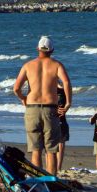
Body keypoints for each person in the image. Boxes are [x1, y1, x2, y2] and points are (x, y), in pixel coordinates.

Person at [13, 36, 72, 176]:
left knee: (36, 150)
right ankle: (51, 182)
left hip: (32, 108)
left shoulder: (28, 65)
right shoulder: (56, 65)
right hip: (50, 109)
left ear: (38, 49)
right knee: (51, 150)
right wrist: (68, 102)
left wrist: (23, 98)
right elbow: (66, 83)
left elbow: (16, 88)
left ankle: (37, 181)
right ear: (52, 50)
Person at [56, 83, 70, 171]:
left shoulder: (47, 87)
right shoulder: (64, 88)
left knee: (51, 144)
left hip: (51, 118)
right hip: (60, 120)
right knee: (60, 144)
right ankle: (58, 168)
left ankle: (56, 168)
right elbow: (68, 103)